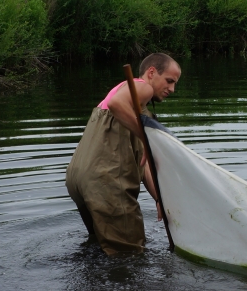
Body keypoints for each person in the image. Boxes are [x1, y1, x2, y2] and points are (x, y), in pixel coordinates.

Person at [66, 53, 181, 254]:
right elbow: (116, 104)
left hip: (79, 179)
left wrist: (159, 199)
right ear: (152, 73)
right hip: (106, 182)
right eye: (169, 81)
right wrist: (146, 140)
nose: (172, 89)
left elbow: (142, 165)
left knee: (100, 250)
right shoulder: (142, 87)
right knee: (130, 255)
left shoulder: (131, 103)